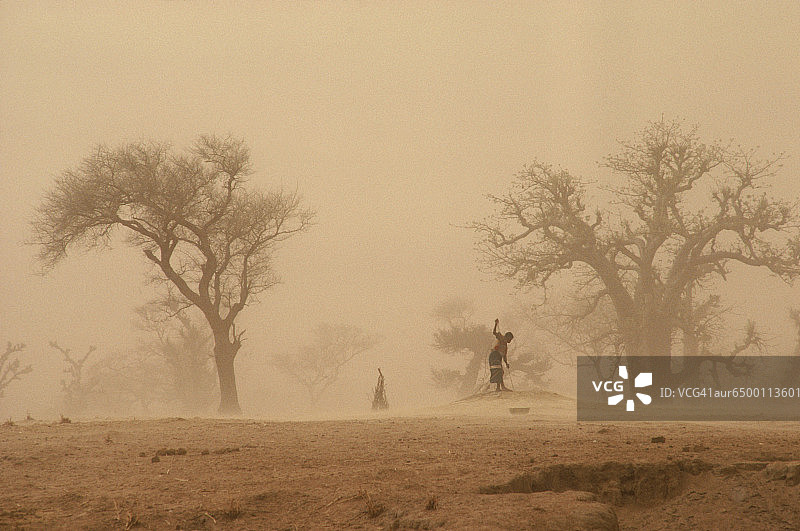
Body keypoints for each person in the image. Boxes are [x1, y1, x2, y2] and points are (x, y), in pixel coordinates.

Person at [489, 318, 513, 391]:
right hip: (494, 355)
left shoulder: (505, 346)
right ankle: (499, 387)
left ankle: (501, 387)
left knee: (501, 371)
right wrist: (496, 324)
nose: (510, 341)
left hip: (498, 357)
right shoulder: (501, 337)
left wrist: (506, 363)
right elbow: (494, 332)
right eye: (510, 339)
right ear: (507, 336)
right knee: (498, 371)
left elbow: (504, 356)